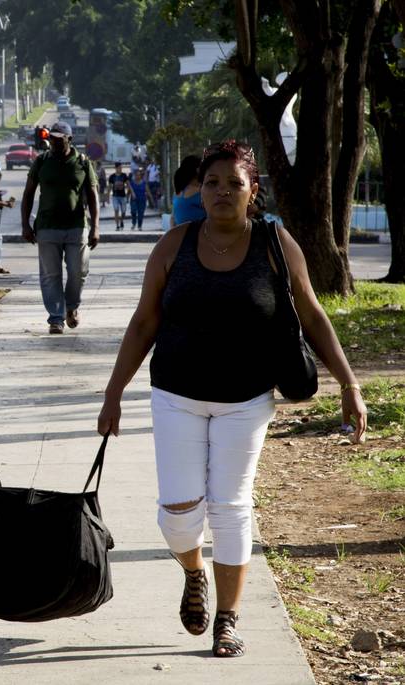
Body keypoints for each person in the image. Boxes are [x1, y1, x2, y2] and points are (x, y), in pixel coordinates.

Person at [97, 140, 367, 659]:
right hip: (176, 394)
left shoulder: (275, 243)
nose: (221, 192)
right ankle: (193, 571)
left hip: (247, 400)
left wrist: (350, 385)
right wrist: (113, 393)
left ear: (252, 191)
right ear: (201, 189)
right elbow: (143, 323)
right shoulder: (174, 245)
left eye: (234, 184)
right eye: (213, 183)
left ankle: (228, 619)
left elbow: (312, 316)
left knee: (230, 507)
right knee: (177, 513)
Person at [20, 121, 99, 334]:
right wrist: (25, 225)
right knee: (50, 275)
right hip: (47, 227)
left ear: (69, 139)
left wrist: (95, 227)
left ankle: (71, 306)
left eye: (58, 138)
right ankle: (56, 318)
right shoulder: (41, 161)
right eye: (51, 138)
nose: (53, 142)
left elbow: (92, 196)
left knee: (78, 272)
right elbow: (28, 194)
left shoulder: (83, 163)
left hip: (77, 226)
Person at [172, 154, 206, 225]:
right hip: (199, 233)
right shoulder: (200, 191)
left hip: (179, 233)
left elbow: (172, 218)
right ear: (198, 170)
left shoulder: (177, 191)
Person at [109, 162, 130, 230]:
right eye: (119, 168)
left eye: (121, 168)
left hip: (123, 196)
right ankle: (117, 225)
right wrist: (107, 196)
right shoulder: (112, 177)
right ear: (116, 168)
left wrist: (131, 193)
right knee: (116, 209)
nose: (120, 169)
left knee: (123, 211)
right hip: (115, 196)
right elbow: (109, 187)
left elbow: (128, 185)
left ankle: (121, 221)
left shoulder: (124, 175)